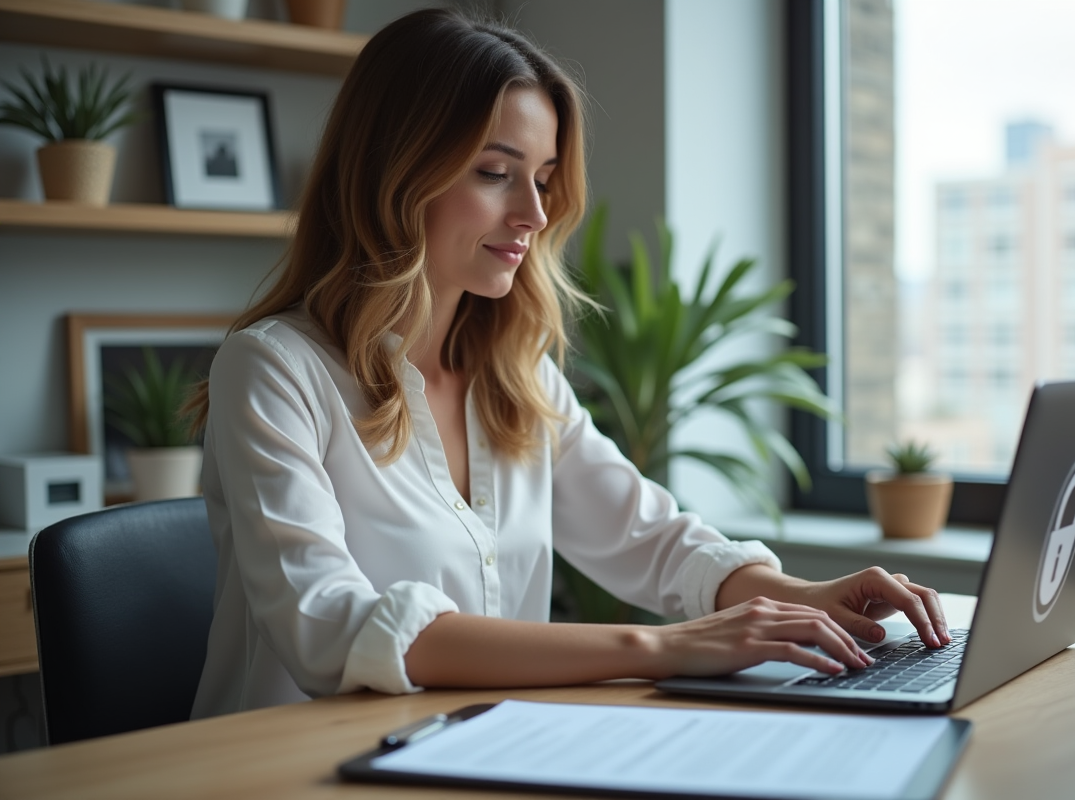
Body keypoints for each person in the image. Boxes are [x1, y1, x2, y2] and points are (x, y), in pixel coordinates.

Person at [188, 7, 949, 720]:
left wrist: (805, 596)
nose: (535, 214)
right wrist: (661, 647)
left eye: (544, 179)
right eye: (495, 173)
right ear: (395, 172)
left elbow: (653, 541)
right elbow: (334, 630)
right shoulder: (273, 371)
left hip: (478, 758)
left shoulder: (516, 379)